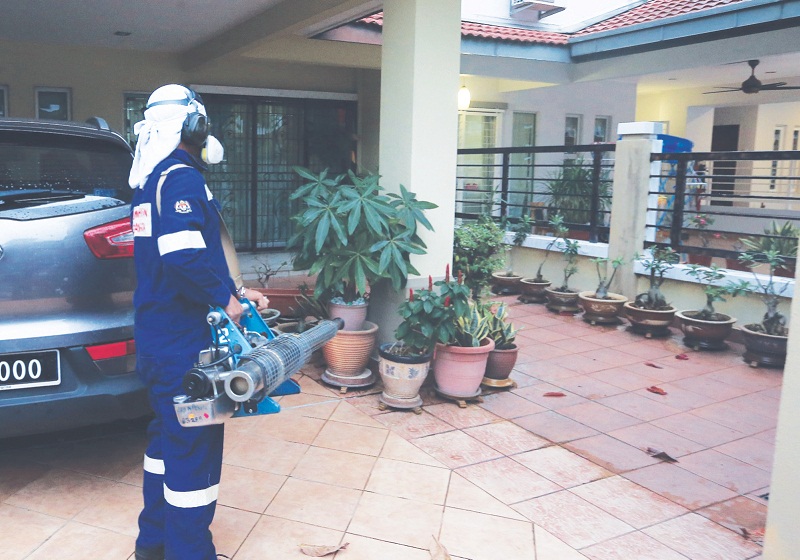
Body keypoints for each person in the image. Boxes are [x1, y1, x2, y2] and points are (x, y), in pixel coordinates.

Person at [128, 84, 269, 560]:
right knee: (195, 448)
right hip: (183, 343)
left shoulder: (152, 180)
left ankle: (154, 542)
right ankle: (190, 552)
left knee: (166, 438)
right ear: (194, 125)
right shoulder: (182, 178)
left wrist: (234, 291)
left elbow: (181, 255)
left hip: (158, 337)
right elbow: (184, 256)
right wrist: (225, 301)